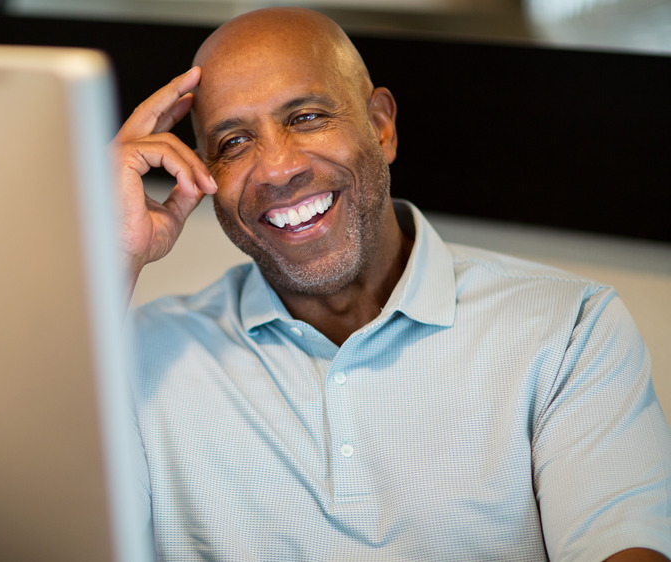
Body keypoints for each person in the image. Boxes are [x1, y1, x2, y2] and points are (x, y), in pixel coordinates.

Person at [114, 7, 671, 561]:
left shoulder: (568, 330)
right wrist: (113, 253)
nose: (277, 169)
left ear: (381, 127)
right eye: (233, 142)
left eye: (306, 117)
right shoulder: (133, 357)